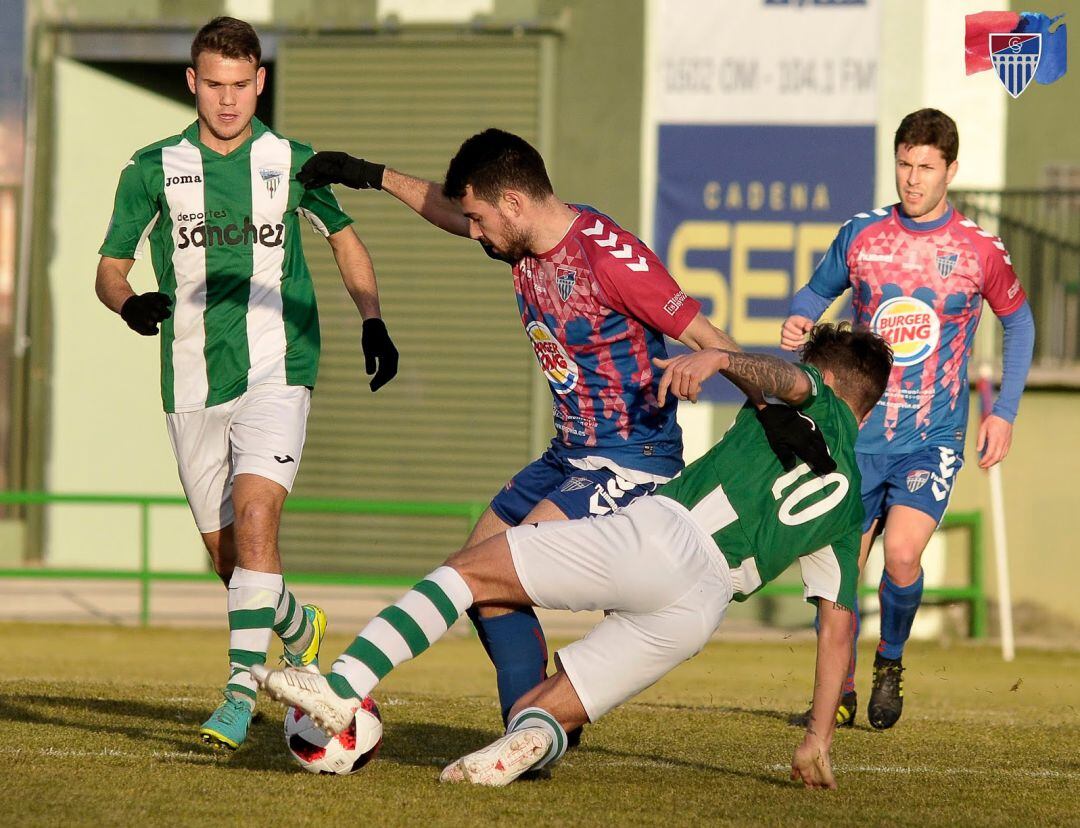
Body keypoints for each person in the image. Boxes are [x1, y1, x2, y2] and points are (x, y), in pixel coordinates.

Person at [294, 129, 834, 730]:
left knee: (481, 574)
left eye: (479, 220)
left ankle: (351, 688)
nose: (472, 233)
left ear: (514, 205)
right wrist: (368, 172)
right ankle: (532, 725)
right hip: (568, 454)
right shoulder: (522, 240)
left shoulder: (612, 262)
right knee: (478, 575)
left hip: (629, 459)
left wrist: (776, 416)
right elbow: (448, 208)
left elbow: (710, 342)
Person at [252, 323, 892, 789]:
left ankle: (344, 687)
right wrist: (816, 740)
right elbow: (838, 632)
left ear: (829, 381)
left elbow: (784, 377)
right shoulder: (851, 510)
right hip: (701, 609)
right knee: (544, 709)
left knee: (472, 567)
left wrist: (724, 356)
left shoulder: (817, 397)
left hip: (666, 538)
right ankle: (521, 746)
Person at [94, 17, 399, 750]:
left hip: (280, 366)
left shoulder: (293, 161)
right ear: (192, 83)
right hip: (193, 379)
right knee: (232, 561)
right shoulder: (150, 168)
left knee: (259, 519)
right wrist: (129, 303)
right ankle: (300, 626)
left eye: (241, 85)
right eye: (214, 86)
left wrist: (373, 320)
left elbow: (344, 240)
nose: (228, 101)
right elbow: (110, 267)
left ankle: (239, 691)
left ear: (260, 81)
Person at [781, 108, 1035, 730]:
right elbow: (814, 294)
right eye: (904, 164)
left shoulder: (977, 250)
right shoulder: (863, 236)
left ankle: (888, 663)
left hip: (932, 438)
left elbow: (1020, 323)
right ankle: (835, 690)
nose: (912, 179)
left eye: (925, 167)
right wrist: (799, 318)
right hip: (855, 434)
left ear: (950, 169)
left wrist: (1003, 412)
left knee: (899, 555)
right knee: (841, 572)